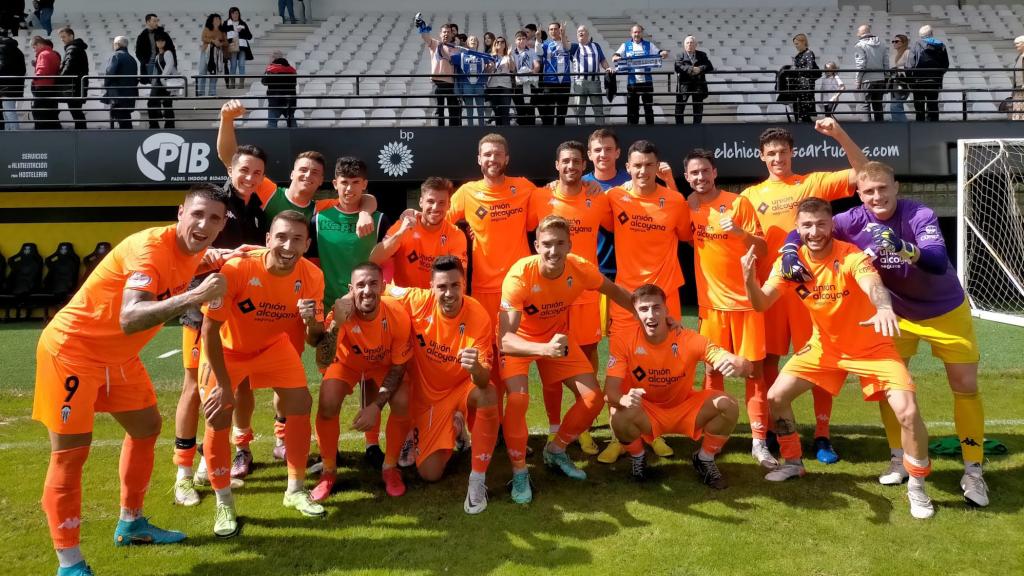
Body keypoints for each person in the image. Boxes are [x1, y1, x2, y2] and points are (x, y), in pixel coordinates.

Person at [32, 183, 230, 576]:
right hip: (72, 351)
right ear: (180, 213)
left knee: (146, 426)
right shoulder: (149, 250)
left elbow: (198, 257)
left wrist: (227, 257)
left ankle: (132, 523)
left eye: (214, 218)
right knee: (71, 455)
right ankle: (69, 564)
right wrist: (195, 297)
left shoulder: (193, 250)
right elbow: (130, 317)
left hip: (118, 356)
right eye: (197, 214)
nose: (203, 224)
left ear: (223, 225)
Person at [780, 161, 989, 507]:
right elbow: (808, 226)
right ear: (859, 195)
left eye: (882, 188)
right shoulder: (851, 221)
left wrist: (904, 247)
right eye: (869, 191)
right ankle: (899, 459)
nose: (877, 196)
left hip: (945, 310)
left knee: (965, 387)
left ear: (896, 187)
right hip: (894, 316)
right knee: (892, 388)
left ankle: (973, 470)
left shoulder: (918, 213)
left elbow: (937, 260)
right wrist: (789, 248)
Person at [742, 197, 935, 520]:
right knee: (776, 396)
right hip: (824, 348)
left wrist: (884, 307)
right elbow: (761, 303)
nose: (814, 232)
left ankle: (917, 486)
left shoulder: (850, 256)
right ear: (798, 228)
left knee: (908, 411)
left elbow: (873, 284)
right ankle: (793, 463)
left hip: (872, 349)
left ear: (832, 225)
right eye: (807, 225)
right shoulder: (792, 263)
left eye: (821, 224)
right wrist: (749, 279)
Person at [739, 119, 866, 466]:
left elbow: (863, 174)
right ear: (761, 156)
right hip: (773, 292)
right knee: (767, 363)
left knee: (822, 360)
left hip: (813, 293)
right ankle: (770, 430)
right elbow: (749, 243)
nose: (777, 157)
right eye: (771, 153)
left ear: (792, 153)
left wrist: (839, 134)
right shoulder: (750, 196)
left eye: (783, 151)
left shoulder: (812, 184)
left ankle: (822, 434)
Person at [198, 210, 327, 538]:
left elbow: (314, 339)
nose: (288, 245)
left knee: (300, 402)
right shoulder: (238, 268)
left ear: (307, 243)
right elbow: (210, 330)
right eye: (281, 237)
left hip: (273, 347)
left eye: (297, 239)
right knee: (218, 415)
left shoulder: (311, 276)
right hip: (228, 349)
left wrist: (312, 322)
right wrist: (225, 386)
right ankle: (224, 501)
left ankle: (295, 489)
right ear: (268, 239)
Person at [499, 216, 634, 503]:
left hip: (557, 338)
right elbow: (505, 341)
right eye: (547, 244)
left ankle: (556, 450)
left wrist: (651, 313)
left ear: (570, 245)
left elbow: (616, 292)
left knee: (593, 399)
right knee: (518, 400)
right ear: (536, 246)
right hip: (521, 343)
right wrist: (543, 349)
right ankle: (520, 471)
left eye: (560, 243)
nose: (553, 250)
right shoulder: (519, 276)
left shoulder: (580, 268)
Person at [384, 256, 501, 514]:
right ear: (431, 287)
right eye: (442, 287)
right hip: (429, 399)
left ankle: (477, 480)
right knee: (429, 473)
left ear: (463, 285)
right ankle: (455, 426)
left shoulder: (479, 316)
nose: (449, 293)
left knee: (488, 394)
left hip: (462, 388)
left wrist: (476, 368)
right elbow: (379, 287)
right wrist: (348, 300)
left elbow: (483, 381)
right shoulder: (416, 300)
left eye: (455, 286)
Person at [683, 148, 772, 470]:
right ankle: (712, 433)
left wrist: (738, 232)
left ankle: (759, 441)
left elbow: (761, 249)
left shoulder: (738, 203)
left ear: (714, 172)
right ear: (687, 177)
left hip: (746, 304)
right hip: (711, 307)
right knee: (712, 371)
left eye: (705, 171)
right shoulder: (689, 206)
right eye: (694, 173)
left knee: (755, 373)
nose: (700, 177)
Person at [607, 284, 749, 485]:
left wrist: (740, 363)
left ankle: (704, 459)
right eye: (644, 309)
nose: (651, 315)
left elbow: (729, 359)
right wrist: (623, 398)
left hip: (684, 407)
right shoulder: (623, 341)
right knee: (618, 415)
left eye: (656, 308)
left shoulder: (688, 339)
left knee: (729, 405)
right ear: (635, 314)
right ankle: (638, 458)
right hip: (647, 411)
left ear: (666, 310)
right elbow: (610, 392)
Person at [529, 141, 613, 455]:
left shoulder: (598, 198)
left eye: (576, 162)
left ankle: (583, 428)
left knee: (588, 358)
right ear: (557, 165)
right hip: (550, 293)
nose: (571, 167)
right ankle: (554, 427)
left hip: (586, 293)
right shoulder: (539, 196)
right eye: (565, 161)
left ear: (584, 165)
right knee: (552, 359)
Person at [311, 262, 412, 501]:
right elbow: (322, 358)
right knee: (327, 401)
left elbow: (398, 367)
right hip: (347, 363)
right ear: (351, 288)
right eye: (360, 285)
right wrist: (336, 323)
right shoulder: (340, 310)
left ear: (383, 286)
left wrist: (375, 406)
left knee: (403, 400)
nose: (367, 290)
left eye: (373, 283)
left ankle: (390, 468)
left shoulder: (397, 314)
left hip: (383, 364)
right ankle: (328, 471)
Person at [370, 177, 468, 288]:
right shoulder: (404, 224)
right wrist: (401, 233)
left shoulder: (456, 235)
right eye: (430, 201)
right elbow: (374, 259)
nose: (435, 207)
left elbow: (459, 279)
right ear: (421, 202)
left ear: (449, 205)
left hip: (435, 301)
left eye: (441, 203)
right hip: (404, 300)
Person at [613, 25, 669, 125]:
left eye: (639, 32)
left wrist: (663, 53)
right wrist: (615, 57)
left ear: (642, 33)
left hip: (647, 81)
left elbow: (659, 52)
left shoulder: (649, 45)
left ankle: (650, 130)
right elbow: (616, 55)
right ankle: (633, 130)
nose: (637, 34)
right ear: (631, 33)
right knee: (633, 109)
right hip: (632, 82)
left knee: (648, 108)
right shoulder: (625, 45)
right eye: (635, 32)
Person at [418, 17, 460, 126]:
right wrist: (422, 28)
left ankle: (453, 131)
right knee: (439, 110)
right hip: (437, 82)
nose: (446, 34)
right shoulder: (435, 44)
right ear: (440, 34)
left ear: (452, 35)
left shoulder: (456, 48)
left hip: (451, 83)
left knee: (453, 110)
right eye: (444, 32)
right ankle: (439, 130)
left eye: (448, 32)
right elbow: (426, 37)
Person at [569, 25, 611, 124]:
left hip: (594, 81)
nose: (580, 33)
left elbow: (602, 60)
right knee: (580, 110)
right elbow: (565, 46)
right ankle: (581, 131)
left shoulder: (596, 46)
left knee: (598, 109)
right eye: (578, 31)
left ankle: (600, 133)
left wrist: (607, 68)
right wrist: (562, 35)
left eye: (582, 31)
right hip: (580, 82)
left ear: (588, 34)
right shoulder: (575, 47)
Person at [907, 25, 948, 122]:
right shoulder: (941, 45)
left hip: (918, 82)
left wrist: (910, 80)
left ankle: (920, 129)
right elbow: (945, 65)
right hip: (934, 82)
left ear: (921, 35)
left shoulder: (916, 44)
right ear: (931, 34)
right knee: (933, 106)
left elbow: (909, 65)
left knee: (919, 108)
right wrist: (938, 75)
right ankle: (934, 129)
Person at [535, 21, 572, 126]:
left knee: (562, 113)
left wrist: (563, 35)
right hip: (549, 82)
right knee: (548, 114)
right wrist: (538, 38)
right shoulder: (546, 45)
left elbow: (567, 48)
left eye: (555, 29)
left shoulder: (567, 42)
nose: (553, 31)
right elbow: (538, 52)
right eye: (551, 29)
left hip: (564, 82)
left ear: (560, 30)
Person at [450, 35, 489, 127]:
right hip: (467, 84)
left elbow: (492, 60)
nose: (473, 41)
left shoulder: (482, 55)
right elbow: (449, 58)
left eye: (475, 40)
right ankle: (470, 128)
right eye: (471, 40)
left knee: (481, 108)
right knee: (469, 108)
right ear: (467, 43)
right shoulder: (461, 55)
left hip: (479, 84)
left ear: (478, 43)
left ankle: (481, 128)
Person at [674, 35, 713, 124]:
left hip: (698, 85)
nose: (689, 45)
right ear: (684, 45)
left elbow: (709, 66)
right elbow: (678, 67)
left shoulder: (702, 55)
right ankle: (679, 128)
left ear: (696, 45)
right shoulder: (680, 55)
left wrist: (700, 69)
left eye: (691, 43)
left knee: (698, 108)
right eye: (687, 43)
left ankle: (697, 128)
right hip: (684, 85)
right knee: (679, 108)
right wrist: (692, 69)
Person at [853, 24, 888, 122]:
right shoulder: (882, 44)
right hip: (880, 79)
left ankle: (867, 130)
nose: (857, 33)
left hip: (866, 80)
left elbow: (861, 65)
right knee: (878, 105)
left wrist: (857, 80)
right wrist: (885, 77)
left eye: (858, 31)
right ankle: (880, 129)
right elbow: (886, 63)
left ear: (862, 33)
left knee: (864, 105)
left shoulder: (859, 45)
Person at [103, 36, 138, 130]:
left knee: (120, 120)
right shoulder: (132, 59)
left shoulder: (116, 56)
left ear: (117, 44)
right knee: (126, 119)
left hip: (117, 95)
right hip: (130, 94)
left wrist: (106, 87)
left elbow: (109, 74)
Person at [57, 27, 88, 129]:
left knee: (75, 110)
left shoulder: (72, 49)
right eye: (61, 37)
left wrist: (58, 79)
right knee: (76, 110)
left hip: (74, 85)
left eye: (64, 37)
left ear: (71, 36)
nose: (62, 39)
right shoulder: (76, 48)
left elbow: (68, 67)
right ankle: (81, 131)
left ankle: (81, 132)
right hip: (77, 84)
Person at [30, 35, 61, 130]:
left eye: (34, 47)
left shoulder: (43, 54)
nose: (34, 50)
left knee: (39, 111)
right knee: (51, 111)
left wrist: (34, 79)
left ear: (39, 44)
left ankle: (41, 131)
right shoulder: (53, 53)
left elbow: (42, 70)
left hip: (42, 87)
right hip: (52, 86)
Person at [147, 31, 177, 129]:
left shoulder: (168, 53)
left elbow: (169, 68)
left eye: (162, 41)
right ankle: (158, 125)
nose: (160, 43)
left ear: (165, 42)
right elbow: (156, 72)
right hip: (161, 84)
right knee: (162, 104)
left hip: (164, 84)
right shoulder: (157, 55)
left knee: (165, 104)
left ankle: (165, 125)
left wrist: (163, 82)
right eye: (158, 41)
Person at [262, 52, 297, 127]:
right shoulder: (291, 69)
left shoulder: (271, 69)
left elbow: (264, 81)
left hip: (275, 100)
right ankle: (296, 137)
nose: (269, 59)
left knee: (272, 123)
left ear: (274, 58)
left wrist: (267, 69)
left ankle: (272, 138)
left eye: (270, 57)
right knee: (291, 122)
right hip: (290, 100)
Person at [790, 33, 820, 122]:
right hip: (798, 84)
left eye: (797, 44)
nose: (795, 46)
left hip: (806, 85)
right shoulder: (797, 56)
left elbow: (810, 68)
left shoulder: (809, 53)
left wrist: (797, 69)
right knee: (798, 109)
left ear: (803, 42)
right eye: (794, 44)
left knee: (805, 111)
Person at [511, 29, 537, 125]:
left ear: (526, 40)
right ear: (515, 41)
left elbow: (536, 65)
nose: (521, 41)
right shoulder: (512, 53)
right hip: (518, 83)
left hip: (530, 82)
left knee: (530, 108)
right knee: (520, 108)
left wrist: (534, 71)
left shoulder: (532, 51)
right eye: (519, 39)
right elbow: (512, 69)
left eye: (523, 39)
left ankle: (532, 129)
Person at [486, 35, 513, 126]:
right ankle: (499, 132)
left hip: (505, 85)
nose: (500, 43)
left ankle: (506, 133)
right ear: (495, 44)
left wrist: (509, 56)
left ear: (505, 44)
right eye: (497, 42)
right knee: (497, 111)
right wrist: (491, 65)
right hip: (493, 85)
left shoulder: (508, 55)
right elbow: (488, 71)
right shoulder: (491, 56)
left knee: (505, 111)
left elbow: (512, 69)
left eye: (502, 42)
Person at [0, 35, 25, 130]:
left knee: (8, 111)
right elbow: (23, 70)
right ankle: (9, 132)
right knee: (9, 110)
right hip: (16, 85)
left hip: (5, 85)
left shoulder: (2, 49)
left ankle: (14, 132)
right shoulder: (18, 51)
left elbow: (3, 66)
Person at [197, 14, 225, 98]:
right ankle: (200, 92)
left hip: (216, 54)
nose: (217, 21)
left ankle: (212, 92)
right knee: (202, 71)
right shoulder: (206, 28)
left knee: (214, 72)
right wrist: (212, 41)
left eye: (219, 19)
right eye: (215, 19)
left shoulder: (222, 30)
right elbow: (203, 38)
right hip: (205, 52)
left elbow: (226, 42)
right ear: (211, 21)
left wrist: (220, 43)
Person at [224, 7, 252, 89]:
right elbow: (223, 35)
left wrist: (241, 32)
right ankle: (232, 84)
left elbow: (249, 36)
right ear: (230, 14)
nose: (235, 15)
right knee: (233, 65)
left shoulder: (243, 23)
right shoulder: (226, 23)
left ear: (239, 14)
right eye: (233, 13)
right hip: (232, 46)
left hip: (242, 47)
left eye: (236, 13)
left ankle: (241, 84)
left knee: (242, 65)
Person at [134, 14, 162, 83]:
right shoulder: (141, 36)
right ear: (148, 22)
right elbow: (138, 52)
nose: (156, 23)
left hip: (158, 62)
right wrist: (144, 62)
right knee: (148, 84)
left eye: (157, 21)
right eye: (154, 21)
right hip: (148, 63)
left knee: (159, 84)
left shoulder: (161, 34)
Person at [889, 34, 910, 121]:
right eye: (893, 41)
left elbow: (909, 67)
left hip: (903, 83)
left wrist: (897, 68)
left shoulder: (907, 52)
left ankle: (905, 127)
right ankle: (898, 129)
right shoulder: (894, 54)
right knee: (895, 106)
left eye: (897, 41)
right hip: (894, 84)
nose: (894, 43)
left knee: (895, 106)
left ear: (903, 42)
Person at [1010, 35, 1023, 120]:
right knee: (1017, 110)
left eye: (1018, 43)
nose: (1016, 45)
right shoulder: (1019, 57)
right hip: (1018, 88)